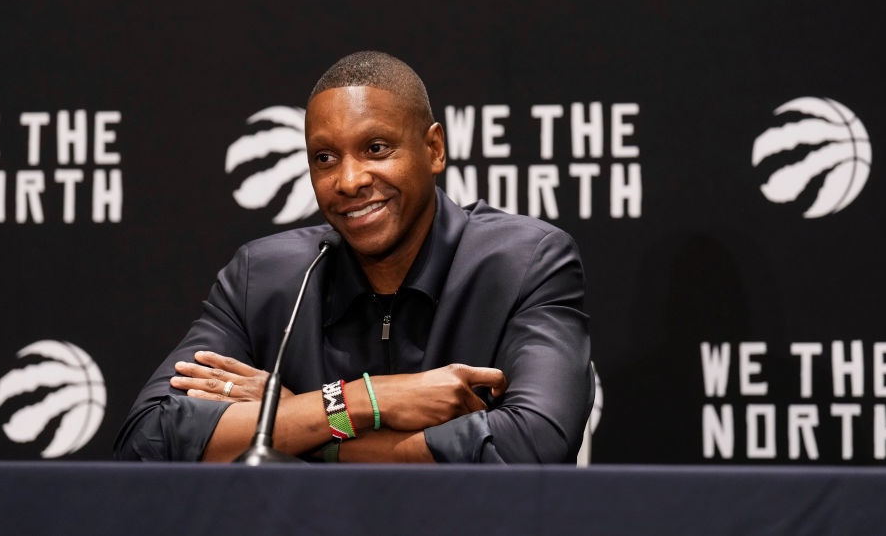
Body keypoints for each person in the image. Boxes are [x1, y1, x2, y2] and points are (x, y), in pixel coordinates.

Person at [114, 51, 593, 463]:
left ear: (434, 149)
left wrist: (298, 422)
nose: (348, 181)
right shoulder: (263, 277)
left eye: (376, 148)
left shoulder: (524, 262)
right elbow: (147, 441)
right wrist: (365, 400)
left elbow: (532, 446)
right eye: (325, 158)